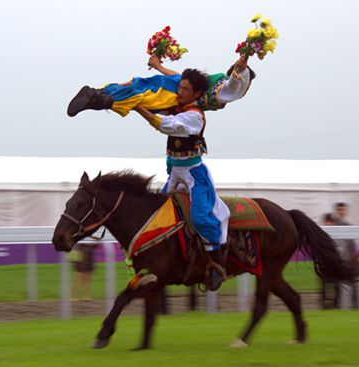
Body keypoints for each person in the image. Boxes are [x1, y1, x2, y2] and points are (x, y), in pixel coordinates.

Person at [132, 68, 229, 291]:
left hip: (194, 174)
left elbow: (166, 126)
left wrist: (137, 107)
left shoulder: (194, 116)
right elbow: (170, 84)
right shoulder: (176, 106)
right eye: (181, 87)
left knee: (200, 216)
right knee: (157, 214)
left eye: (186, 89)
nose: (181, 91)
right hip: (174, 172)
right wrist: (155, 68)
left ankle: (217, 265)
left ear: (196, 94)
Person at [67, 53, 254, 117]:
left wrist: (159, 67)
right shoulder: (224, 92)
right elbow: (236, 88)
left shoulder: (217, 78)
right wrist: (243, 72)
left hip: (176, 83)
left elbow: (180, 77)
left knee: (136, 86)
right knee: (139, 97)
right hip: (174, 95)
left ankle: (97, 92)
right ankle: (97, 99)